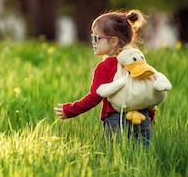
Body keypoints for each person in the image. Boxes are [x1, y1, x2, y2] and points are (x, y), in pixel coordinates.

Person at [54, 9, 154, 146]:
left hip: (115, 118)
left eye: (96, 38)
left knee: (115, 156)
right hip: (143, 117)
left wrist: (71, 110)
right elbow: (147, 89)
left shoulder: (105, 67)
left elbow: (95, 97)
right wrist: (151, 116)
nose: (93, 43)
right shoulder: (137, 61)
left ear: (113, 41)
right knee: (143, 156)